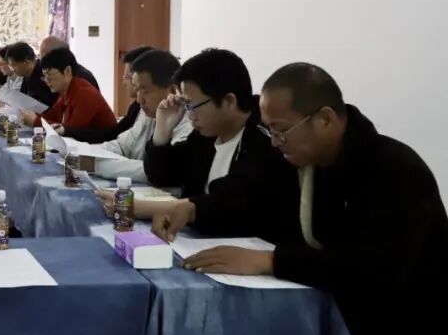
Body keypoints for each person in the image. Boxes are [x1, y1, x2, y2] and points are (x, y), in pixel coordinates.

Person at [175, 63, 448, 335]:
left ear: (325, 119)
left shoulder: (395, 170)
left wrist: (270, 261)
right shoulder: (304, 158)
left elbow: (375, 269)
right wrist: (191, 209)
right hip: (329, 300)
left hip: (406, 331)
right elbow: (246, 194)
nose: (274, 142)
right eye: (268, 130)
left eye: (281, 130)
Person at [139, 49, 298, 234]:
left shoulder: (266, 138)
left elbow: (230, 202)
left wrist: (142, 207)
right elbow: (162, 175)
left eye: (192, 105)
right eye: (185, 105)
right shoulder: (205, 136)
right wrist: (162, 130)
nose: (190, 115)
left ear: (229, 101)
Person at [91, 49, 193, 181]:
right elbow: (122, 145)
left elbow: (160, 171)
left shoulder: (190, 124)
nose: (139, 100)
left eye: (145, 91)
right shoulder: (147, 114)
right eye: (136, 89)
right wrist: (84, 153)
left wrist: (96, 165)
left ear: (172, 90)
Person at [19, 47, 116, 138]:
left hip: (102, 145)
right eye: (44, 76)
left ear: (67, 71)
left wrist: (36, 122)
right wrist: (31, 115)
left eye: (50, 75)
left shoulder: (84, 93)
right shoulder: (66, 91)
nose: (46, 80)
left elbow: (69, 132)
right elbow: (51, 117)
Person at [5, 42, 58, 108]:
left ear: (26, 62)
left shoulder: (45, 75)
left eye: (14, 65)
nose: (13, 70)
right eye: (11, 66)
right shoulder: (26, 76)